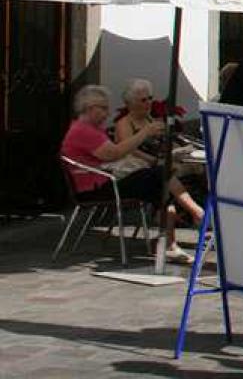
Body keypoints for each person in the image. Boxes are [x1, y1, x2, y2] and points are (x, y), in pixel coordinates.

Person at [60, 84, 205, 262]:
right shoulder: (84, 131)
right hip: (98, 187)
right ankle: (192, 218)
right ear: (90, 108)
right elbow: (114, 153)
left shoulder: (87, 129)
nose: (107, 113)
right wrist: (144, 133)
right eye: (104, 108)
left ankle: (171, 238)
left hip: (105, 180)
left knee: (161, 182)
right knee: (160, 176)